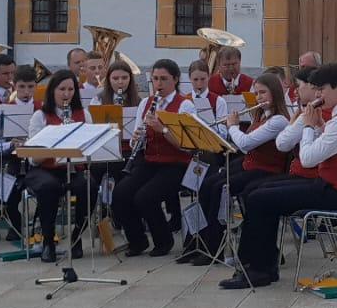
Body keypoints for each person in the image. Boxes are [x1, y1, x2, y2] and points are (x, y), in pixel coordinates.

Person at [225, 63, 337, 290]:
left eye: (322, 89)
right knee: (259, 192)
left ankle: (257, 268)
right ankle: (263, 265)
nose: (319, 95)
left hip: (334, 192)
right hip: (332, 187)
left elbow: (307, 159)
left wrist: (308, 126)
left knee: (258, 199)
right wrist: (319, 126)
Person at [182, 70, 293, 267]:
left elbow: (246, 144)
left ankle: (214, 247)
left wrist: (232, 126)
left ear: (275, 93)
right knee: (207, 185)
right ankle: (198, 242)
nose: (258, 98)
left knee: (219, 188)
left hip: (267, 171)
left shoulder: (279, 120)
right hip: (250, 165)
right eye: (256, 93)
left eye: (263, 93)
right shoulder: (261, 115)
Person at [113, 58, 193, 257]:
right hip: (149, 160)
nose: (158, 84)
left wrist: (162, 129)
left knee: (145, 197)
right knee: (121, 193)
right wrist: (136, 139)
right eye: (155, 79)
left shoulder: (185, 105)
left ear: (175, 80)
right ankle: (137, 241)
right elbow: (136, 141)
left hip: (175, 163)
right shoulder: (145, 103)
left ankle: (164, 240)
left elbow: (186, 145)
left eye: (163, 79)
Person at [23, 67, 93, 262]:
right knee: (49, 187)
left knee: (89, 186)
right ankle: (48, 240)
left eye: (70, 90)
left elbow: (89, 149)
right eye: (62, 89)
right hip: (44, 169)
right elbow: (33, 158)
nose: (66, 94)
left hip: (73, 168)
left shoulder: (84, 115)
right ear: (52, 91)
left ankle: (77, 236)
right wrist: (55, 143)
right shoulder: (40, 116)